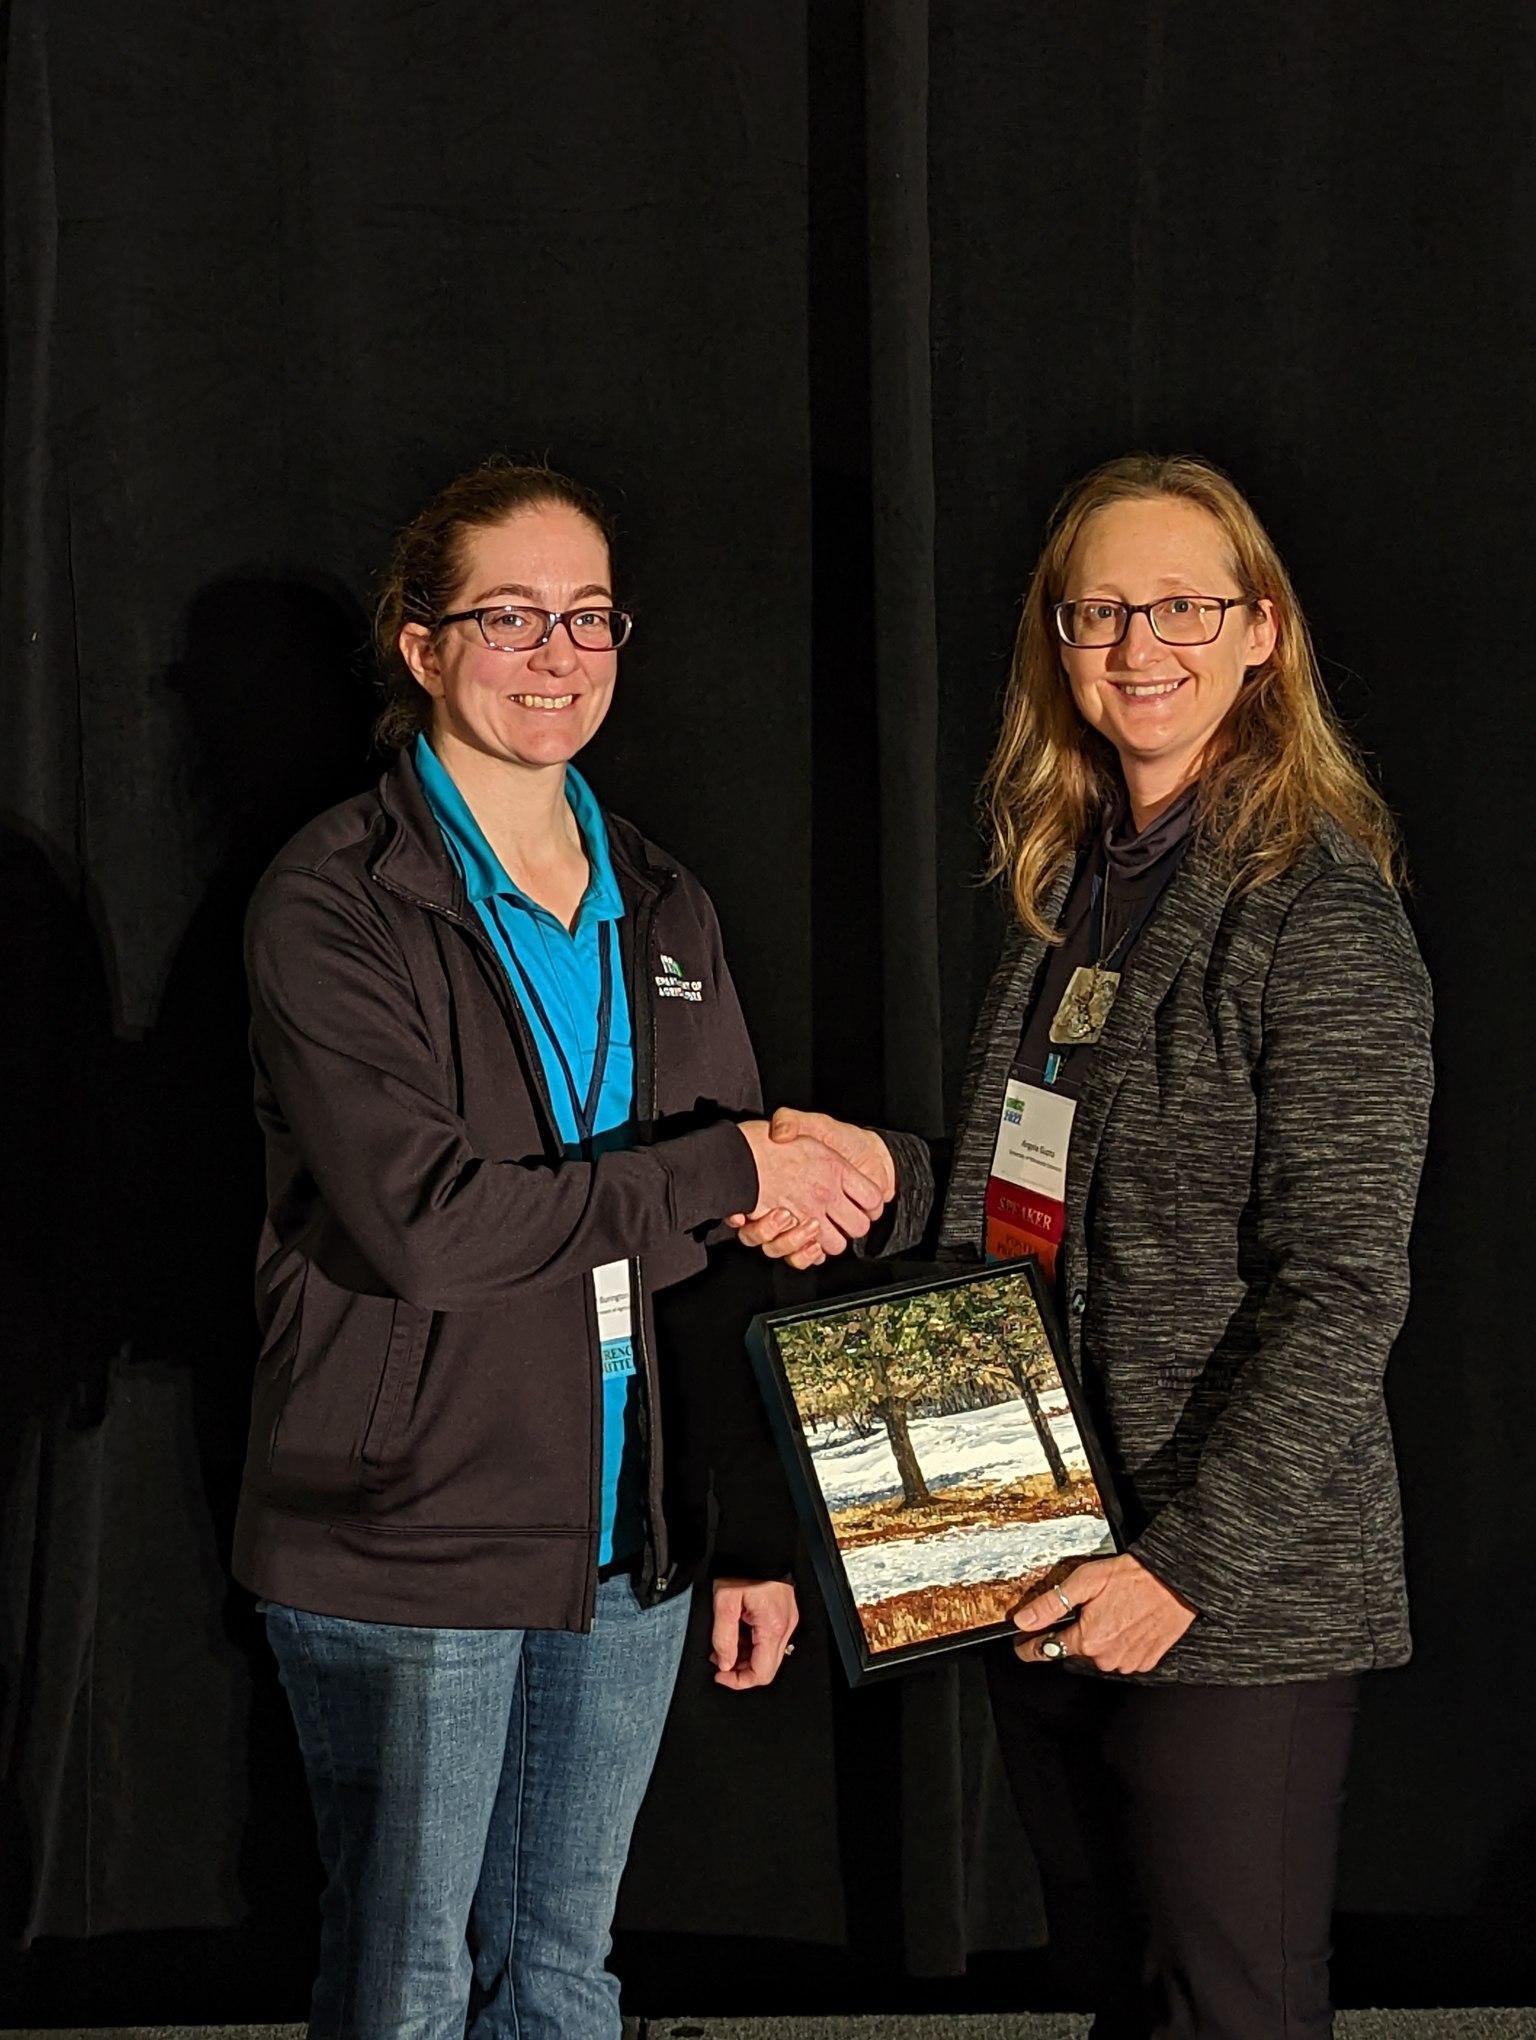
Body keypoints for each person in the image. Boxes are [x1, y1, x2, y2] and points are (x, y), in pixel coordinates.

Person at [735, 453, 1434, 2037]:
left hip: (1220, 1588)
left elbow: (1343, 1292)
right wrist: (880, 1179)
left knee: (1226, 2004)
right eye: (1101, 610)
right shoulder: (1077, 886)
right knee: (1111, 1989)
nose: (1142, 645)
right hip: (1027, 1528)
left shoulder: (1314, 911)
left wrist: (1175, 1569)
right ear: (1058, 642)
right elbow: (1034, 1196)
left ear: (1263, 631)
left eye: (1184, 604)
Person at [231, 457, 893, 2040]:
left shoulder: (662, 904)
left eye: (588, 618)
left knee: (566, 1976)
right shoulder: (337, 902)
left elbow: (724, 1240)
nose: (557, 654)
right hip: (414, 1533)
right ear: (421, 645)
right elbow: (436, 1230)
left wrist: (733, 1531)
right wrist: (735, 1159)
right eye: (510, 616)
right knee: (406, 1988)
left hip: (625, 1539)